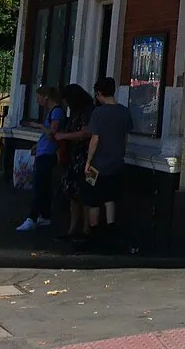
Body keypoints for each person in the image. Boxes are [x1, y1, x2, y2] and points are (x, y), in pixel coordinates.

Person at [81, 76, 132, 248]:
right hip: (116, 162)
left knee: (93, 198)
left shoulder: (99, 113)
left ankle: (93, 231)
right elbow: (125, 136)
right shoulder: (124, 111)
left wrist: (88, 161)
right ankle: (111, 227)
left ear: (99, 93)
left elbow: (95, 139)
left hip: (97, 164)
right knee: (111, 196)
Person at [50, 84, 94, 242]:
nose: (67, 104)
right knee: (73, 194)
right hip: (73, 157)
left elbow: (86, 132)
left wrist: (65, 137)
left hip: (84, 157)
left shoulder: (88, 111)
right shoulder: (76, 112)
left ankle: (86, 230)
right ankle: (72, 229)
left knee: (85, 194)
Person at [17, 87, 64, 233]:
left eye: (38, 97)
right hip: (43, 151)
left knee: (39, 186)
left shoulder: (56, 112)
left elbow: (52, 134)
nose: (37, 101)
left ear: (46, 97)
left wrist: (39, 126)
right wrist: (38, 145)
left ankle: (32, 217)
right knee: (43, 187)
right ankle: (45, 215)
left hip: (48, 154)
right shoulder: (52, 112)